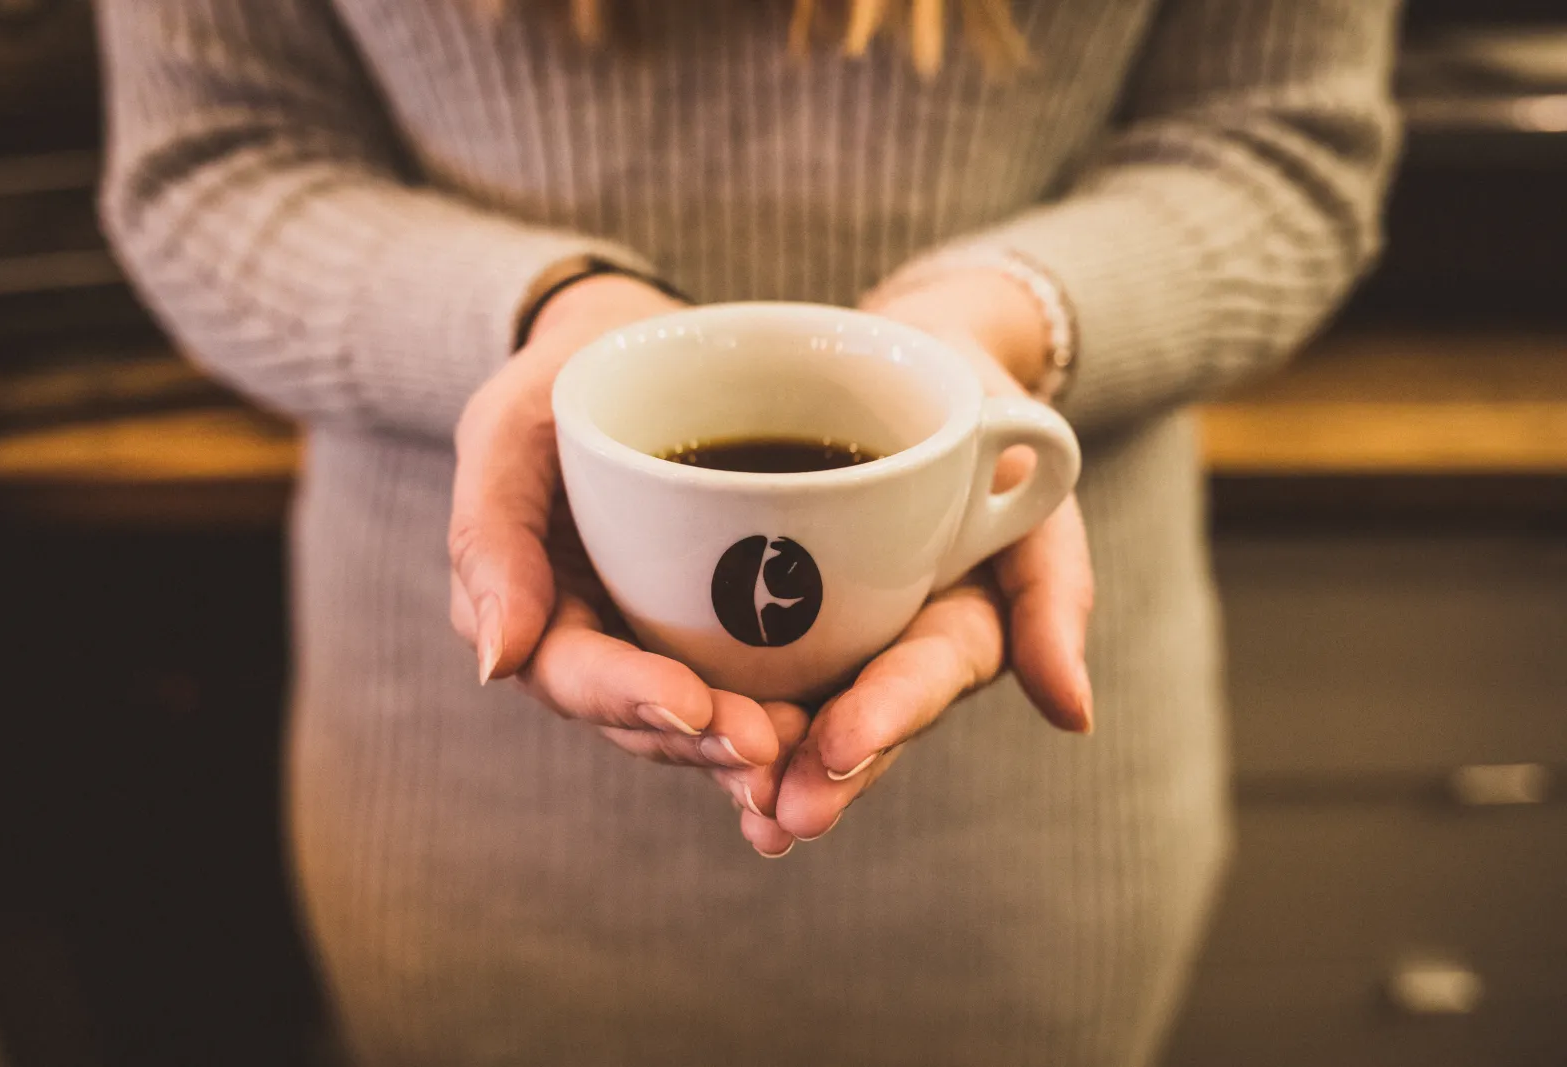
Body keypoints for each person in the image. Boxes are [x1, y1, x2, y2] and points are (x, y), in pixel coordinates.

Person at [96, 1, 1399, 1063]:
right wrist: (538, 311)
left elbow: (1280, 142)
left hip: (1020, 821)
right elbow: (212, 164)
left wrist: (1004, 323)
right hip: (463, 794)